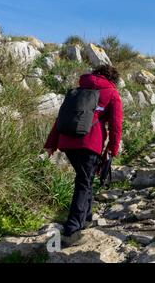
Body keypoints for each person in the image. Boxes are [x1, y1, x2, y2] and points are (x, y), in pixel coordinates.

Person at [44, 64, 123, 239]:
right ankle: (73, 227)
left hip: (66, 141)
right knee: (83, 181)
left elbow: (61, 118)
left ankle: (86, 216)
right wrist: (112, 149)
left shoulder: (77, 90)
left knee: (85, 178)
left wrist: (52, 143)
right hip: (90, 143)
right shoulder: (112, 93)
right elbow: (116, 125)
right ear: (112, 79)